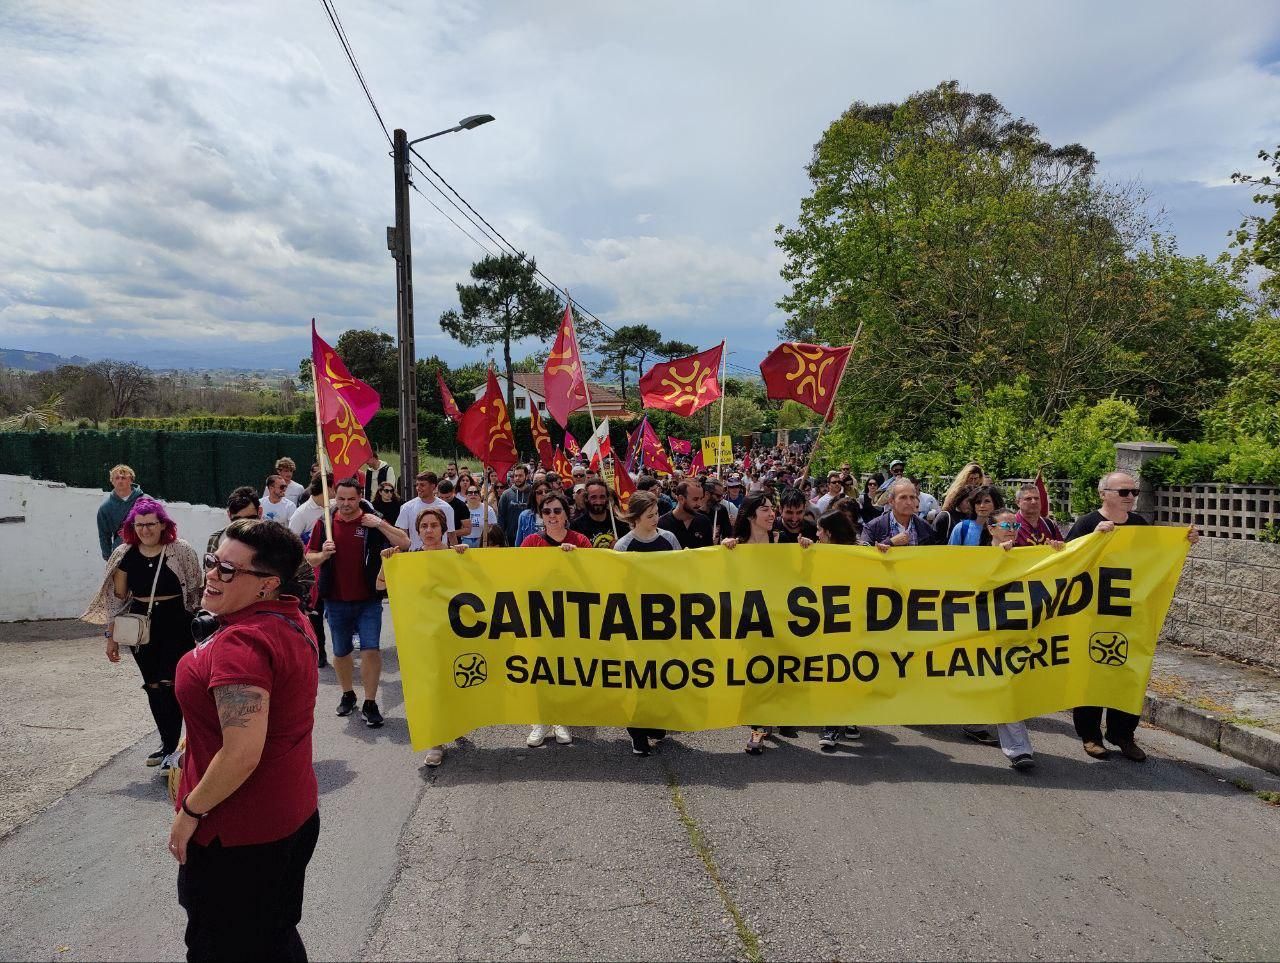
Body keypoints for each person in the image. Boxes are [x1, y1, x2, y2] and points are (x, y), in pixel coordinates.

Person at [169, 518, 319, 961]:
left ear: (266, 584)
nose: (211, 574)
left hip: (238, 834)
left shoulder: (243, 644)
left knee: (222, 946)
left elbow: (241, 754)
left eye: (228, 570)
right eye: (214, 561)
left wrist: (191, 811)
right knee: (273, 936)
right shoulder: (290, 616)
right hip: (290, 814)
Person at [1065, 470, 1199, 761]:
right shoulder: (1087, 523)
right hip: (1093, 614)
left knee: (1129, 673)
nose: (1130, 497)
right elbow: (1068, 560)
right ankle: (1090, 735)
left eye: (1133, 492)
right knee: (1092, 674)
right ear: (1104, 494)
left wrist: (1184, 540)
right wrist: (1093, 539)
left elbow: (1155, 558)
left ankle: (1123, 733)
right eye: (1123, 492)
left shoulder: (1140, 525)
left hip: (1129, 615)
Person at [83, 498, 203, 770]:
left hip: (177, 623)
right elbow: (118, 599)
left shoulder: (180, 550)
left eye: (151, 524)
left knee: (173, 684)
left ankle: (183, 745)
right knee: (153, 686)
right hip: (141, 626)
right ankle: (168, 744)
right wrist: (111, 636)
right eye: (139, 525)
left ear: (163, 524)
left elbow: (196, 587)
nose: (145, 530)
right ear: (132, 527)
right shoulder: (123, 554)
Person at [306, 477, 409, 729]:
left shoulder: (371, 521)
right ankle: (348, 693)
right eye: (341, 499)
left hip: (368, 600)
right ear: (335, 497)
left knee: (370, 650)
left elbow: (404, 543)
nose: (346, 504)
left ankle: (370, 703)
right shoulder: (325, 523)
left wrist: (380, 523)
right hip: (336, 600)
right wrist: (323, 553)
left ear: (360, 497)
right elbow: (310, 557)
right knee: (341, 652)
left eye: (351, 499)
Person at [376, 507, 467, 767]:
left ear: (443, 529)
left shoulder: (455, 555)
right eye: (424, 526)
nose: (429, 531)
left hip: (453, 631)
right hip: (422, 634)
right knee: (430, 686)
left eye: (434, 526)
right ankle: (436, 742)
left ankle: (457, 722)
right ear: (417, 531)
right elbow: (380, 586)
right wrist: (388, 563)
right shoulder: (408, 558)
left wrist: (466, 558)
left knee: (454, 681)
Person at [723, 494, 812, 754]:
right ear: (751, 515)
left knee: (780, 669)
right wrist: (723, 550)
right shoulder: (735, 545)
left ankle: (779, 716)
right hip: (750, 618)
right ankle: (758, 728)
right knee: (757, 672)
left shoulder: (783, 540)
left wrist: (806, 550)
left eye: (773, 509)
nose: (772, 514)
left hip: (779, 616)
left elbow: (798, 576)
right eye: (765, 509)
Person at [612, 491, 680, 756]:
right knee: (639, 676)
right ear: (636, 518)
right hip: (635, 620)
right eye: (649, 515)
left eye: (656, 514)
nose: (655, 519)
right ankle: (637, 731)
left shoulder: (668, 539)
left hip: (664, 619)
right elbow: (619, 584)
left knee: (661, 673)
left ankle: (655, 720)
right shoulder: (624, 546)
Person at [520, 491, 588, 747]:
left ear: (566, 513)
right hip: (539, 613)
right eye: (546, 512)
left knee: (565, 667)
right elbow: (519, 575)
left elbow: (594, 577)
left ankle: (560, 717)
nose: (552, 516)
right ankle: (539, 719)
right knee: (539, 667)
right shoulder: (530, 542)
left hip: (572, 614)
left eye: (557, 511)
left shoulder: (580, 540)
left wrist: (576, 559)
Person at [815, 509, 863, 749]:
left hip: (855, 622)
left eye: (819, 531)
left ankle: (851, 715)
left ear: (830, 533)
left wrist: (883, 551)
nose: (816, 534)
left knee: (852, 671)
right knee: (832, 672)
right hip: (827, 623)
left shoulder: (861, 551)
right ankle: (831, 723)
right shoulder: (815, 552)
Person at [860, 478, 944, 549]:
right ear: (891, 501)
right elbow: (864, 558)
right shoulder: (872, 528)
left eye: (912, 497)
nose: (909, 502)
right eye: (903, 497)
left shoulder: (926, 528)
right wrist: (890, 542)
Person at [395, 471, 456, 550]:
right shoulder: (406, 507)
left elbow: (451, 535)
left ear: (433, 487)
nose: (418, 488)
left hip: (440, 555)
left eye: (422, 485)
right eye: (417, 485)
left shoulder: (446, 508)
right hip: (416, 556)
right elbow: (402, 536)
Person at [97, 464, 145, 559]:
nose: (120, 481)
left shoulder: (146, 501)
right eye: (117, 478)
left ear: (131, 480)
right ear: (112, 481)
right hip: (121, 554)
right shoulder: (105, 508)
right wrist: (109, 558)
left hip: (146, 551)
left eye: (123, 478)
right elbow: (104, 535)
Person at [658, 480, 714, 550]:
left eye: (701, 498)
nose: (700, 504)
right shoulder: (661, 524)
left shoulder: (704, 521)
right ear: (681, 499)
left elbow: (710, 551)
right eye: (695, 499)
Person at [571, 478, 621, 548]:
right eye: (593, 497)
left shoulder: (619, 522)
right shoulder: (576, 526)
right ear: (586, 498)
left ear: (607, 498)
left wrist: (621, 545)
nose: (598, 502)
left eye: (602, 497)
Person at [497, 465, 533, 546]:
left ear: (526, 476)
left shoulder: (533, 493)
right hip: (510, 538)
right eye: (515, 476)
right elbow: (501, 517)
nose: (517, 478)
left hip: (529, 537)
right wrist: (501, 537)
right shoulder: (506, 495)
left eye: (520, 476)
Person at [460, 481, 498, 548]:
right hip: (465, 542)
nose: (473, 494)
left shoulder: (488, 509)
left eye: (476, 493)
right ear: (466, 496)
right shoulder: (461, 509)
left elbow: (494, 528)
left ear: (480, 496)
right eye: (470, 493)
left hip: (482, 541)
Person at [514, 479, 552, 546]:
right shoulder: (524, 516)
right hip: (530, 554)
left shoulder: (557, 515)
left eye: (547, 491)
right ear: (534, 495)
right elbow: (518, 543)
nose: (544, 494)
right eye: (539, 492)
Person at [437, 477, 472, 546]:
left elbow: (467, 530)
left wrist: (450, 534)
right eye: (441, 497)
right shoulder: (435, 503)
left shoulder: (461, 506)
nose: (444, 501)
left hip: (454, 544)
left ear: (453, 491)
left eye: (447, 497)